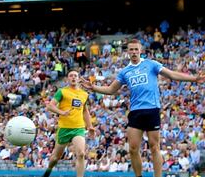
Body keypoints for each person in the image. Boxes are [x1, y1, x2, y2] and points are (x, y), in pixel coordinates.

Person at [82, 38, 205, 177]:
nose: (134, 52)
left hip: (152, 109)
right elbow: (111, 89)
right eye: (131, 49)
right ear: (127, 52)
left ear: (140, 50)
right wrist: (93, 87)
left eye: (136, 49)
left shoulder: (151, 64)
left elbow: (171, 74)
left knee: (154, 147)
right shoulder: (125, 72)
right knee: (133, 149)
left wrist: (194, 79)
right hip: (135, 112)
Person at [42, 70, 92, 177]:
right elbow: (50, 106)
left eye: (75, 76)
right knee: (55, 158)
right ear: (68, 79)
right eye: (71, 76)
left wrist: (90, 126)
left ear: (78, 79)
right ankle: (49, 169)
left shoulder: (84, 94)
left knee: (81, 154)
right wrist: (62, 112)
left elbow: (85, 111)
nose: (73, 77)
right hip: (64, 128)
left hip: (78, 128)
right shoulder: (62, 91)